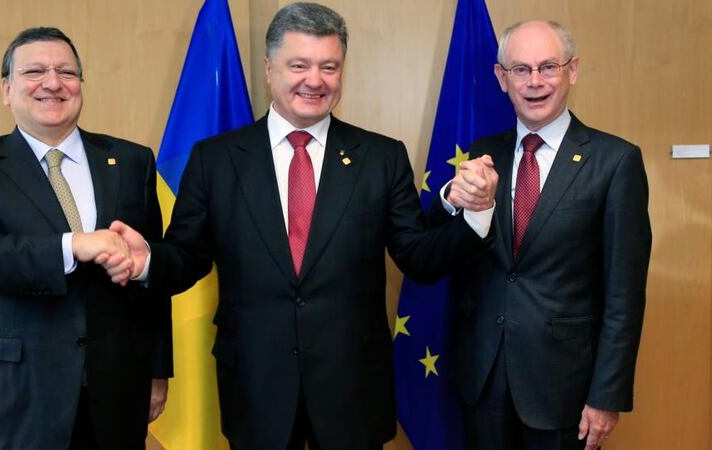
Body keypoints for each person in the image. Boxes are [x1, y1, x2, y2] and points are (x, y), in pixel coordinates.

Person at [101, 3, 496, 449]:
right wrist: (148, 261)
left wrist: (476, 214)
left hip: (353, 389)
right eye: (299, 65)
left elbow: (419, 258)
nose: (315, 80)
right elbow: (188, 255)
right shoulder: (216, 158)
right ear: (269, 69)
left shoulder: (381, 157)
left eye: (329, 66)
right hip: (255, 383)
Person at [0, 27, 172, 450]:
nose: (52, 82)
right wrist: (72, 246)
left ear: (80, 85)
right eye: (34, 71)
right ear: (7, 89)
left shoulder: (132, 160)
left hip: (117, 389)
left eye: (66, 71)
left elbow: (149, 275)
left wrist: (157, 369)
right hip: (21, 394)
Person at [433, 20, 652, 450]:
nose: (535, 82)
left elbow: (625, 294)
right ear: (502, 78)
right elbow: (440, 250)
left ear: (572, 71)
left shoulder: (615, 161)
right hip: (483, 380)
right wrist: (450, 197)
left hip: (565, 390)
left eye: (548, 67)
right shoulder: (483, 153)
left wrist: (607, 395)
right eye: (521, 69)